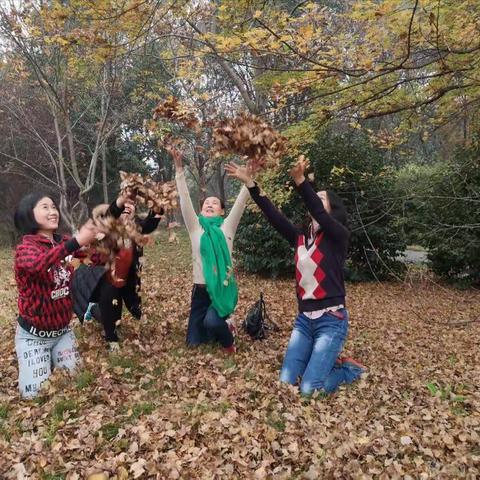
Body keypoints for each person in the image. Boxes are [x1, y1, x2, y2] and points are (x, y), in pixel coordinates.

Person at [225, 158, 365, 394]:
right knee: (286, 381)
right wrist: (250, 183)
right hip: (304, 321)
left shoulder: (337, 236)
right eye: (314, 196)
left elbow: (318, 211)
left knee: (309, 389)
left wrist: (301, 181)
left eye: (321, 199)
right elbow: (274, 215)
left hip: (331, 320)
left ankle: (348, 370)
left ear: (332, 210)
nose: (315, 202)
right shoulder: (301, 238)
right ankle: (321, 360)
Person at [13, 193, 97, 398]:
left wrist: (97, 241)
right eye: (45, 207)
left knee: (77, 383)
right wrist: (75, 242)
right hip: (33, 336)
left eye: (53, 207)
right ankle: (41, 360)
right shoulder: (25, 249)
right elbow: (38, 264)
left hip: (62, 333)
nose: (53, 212)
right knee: (34, 396)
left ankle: (54, 357)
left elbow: (93, 257)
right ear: (29, 214)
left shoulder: (63, 242)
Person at [167, 145, 249, 354]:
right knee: (194, 344)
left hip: (221, 288)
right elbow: (184, 200)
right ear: (201, 209)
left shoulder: (226, 227)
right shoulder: (196, 229)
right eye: (206, 203)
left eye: (215, 203)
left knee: (213, 324)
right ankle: (216, 324)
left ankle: (228, 338)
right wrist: (179, 170)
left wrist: (249, 178)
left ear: (222, 210)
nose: (210, 204)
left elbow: (241, 201)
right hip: (200, 291)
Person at [72, 194, 161, 351]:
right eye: (124, 204)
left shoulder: (136, 227)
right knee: (109, 311)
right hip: (104, 276)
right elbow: (109, 215)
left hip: (127, 277)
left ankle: (94, 310)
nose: (128, 206)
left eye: (131, 204)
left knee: (116, 317)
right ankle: (111, 340)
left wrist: (157, 209)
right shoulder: (107, 225)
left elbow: (149, 224)